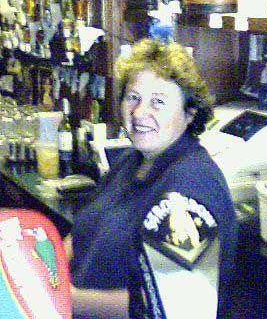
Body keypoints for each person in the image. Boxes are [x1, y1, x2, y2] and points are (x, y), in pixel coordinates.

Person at [64, 38, 238, 318]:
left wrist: (69, 300)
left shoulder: (188, 190)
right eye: (133, 97)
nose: (139, 112)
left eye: (158, 102)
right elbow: (85, 232)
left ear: (190, 114)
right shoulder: (131, 162)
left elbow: (179, 304)